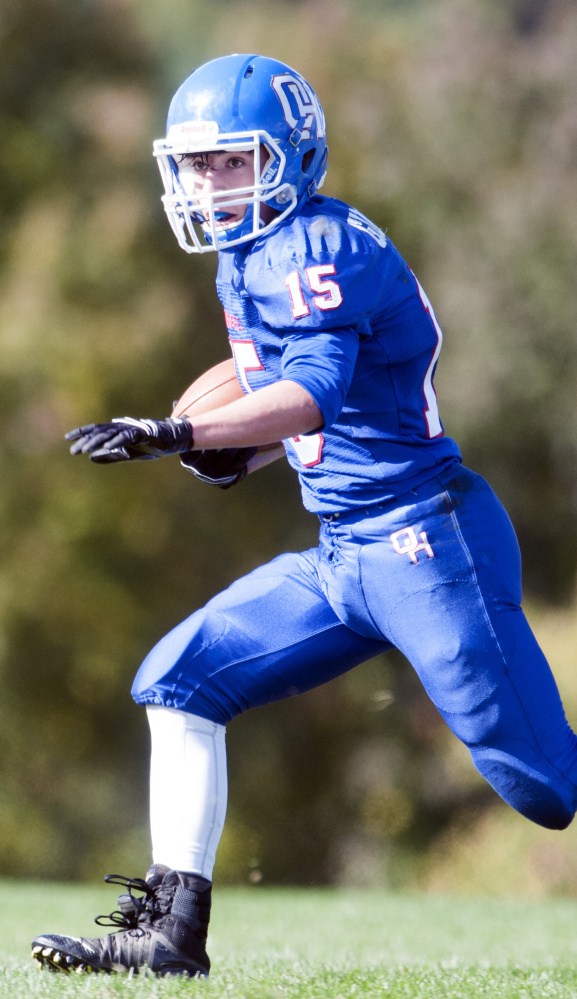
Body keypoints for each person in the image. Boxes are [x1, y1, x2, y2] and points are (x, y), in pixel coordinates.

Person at [32, 53, 577, 978]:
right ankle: (171, 932)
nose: (209, 185)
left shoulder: (317, 246)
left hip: (424, 542)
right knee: (178, 677)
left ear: (291, 156)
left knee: (541, 785)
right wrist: (227, 444)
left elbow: (313, 392)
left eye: (231, 163)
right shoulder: (253, 254)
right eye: (197, 166)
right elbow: (281, 391)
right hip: (341, 554)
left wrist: (178, 429)